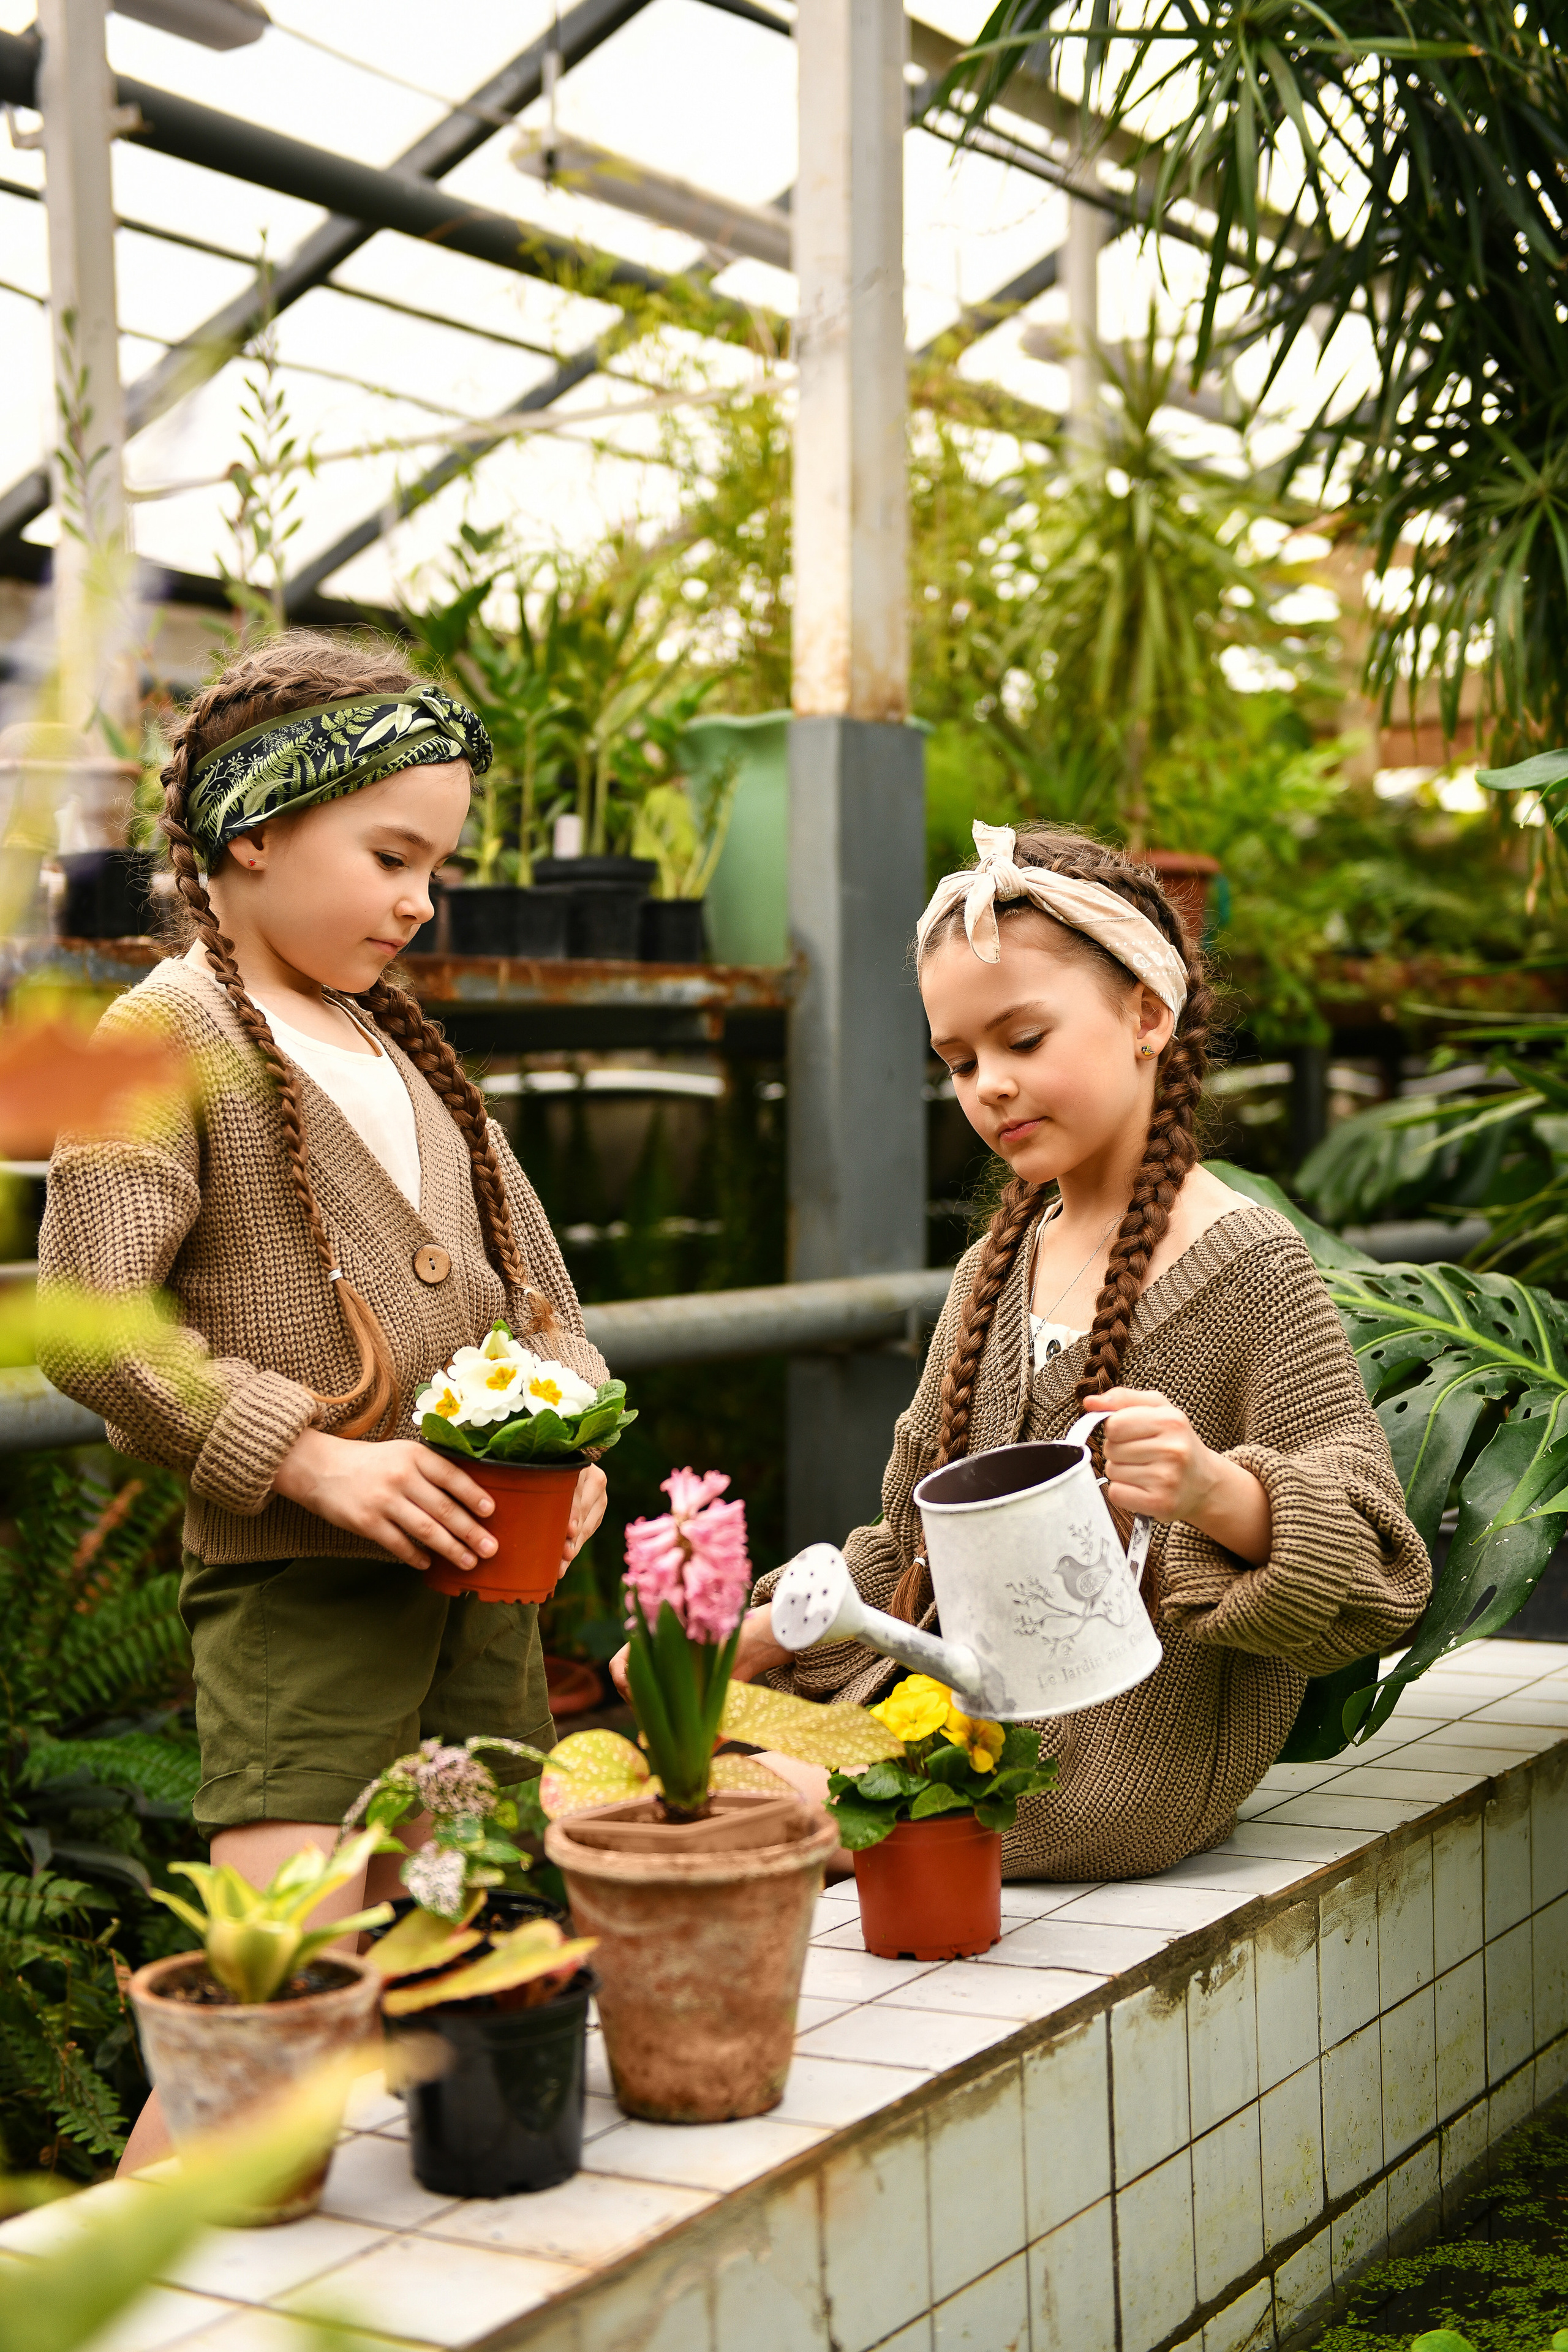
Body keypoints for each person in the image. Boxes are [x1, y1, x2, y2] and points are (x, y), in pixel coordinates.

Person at [38, 633, 608, 2166]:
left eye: (438, 863)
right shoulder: (168, 1031)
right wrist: (304, 1457)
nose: (421, 897)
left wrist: (580, 1435)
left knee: (452, 1961)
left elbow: (536, 1293)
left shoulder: (401, 1048)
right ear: (254, 833)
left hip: (479, 1595)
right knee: (279, 1990)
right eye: (390, 854)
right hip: (302, 1592)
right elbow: (90, 1321)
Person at [628, 821, 1431, 1880]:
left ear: (1150, 1015)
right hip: (942, 1704)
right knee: (675, 1728)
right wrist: (757, 1628)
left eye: (1023, 1041)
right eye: (958, 1062)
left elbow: (1382, 1571)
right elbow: (904, 1536)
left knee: (711, 1807)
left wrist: (1214, 1491)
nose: (988, 1086)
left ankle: (828, 1808)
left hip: (1104, 1764)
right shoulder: (994, 1271)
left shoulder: (1250, 1268)